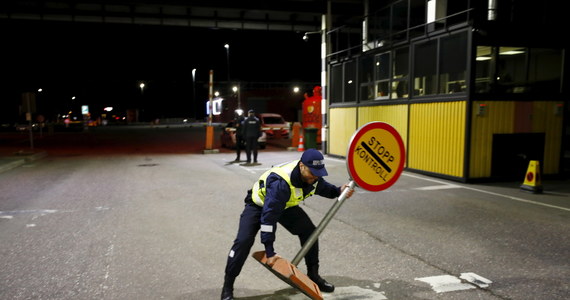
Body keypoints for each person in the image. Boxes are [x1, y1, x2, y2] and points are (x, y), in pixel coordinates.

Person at [221, 149, 355, 300]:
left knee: (309, 232)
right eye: (312, 172)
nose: (315, 177)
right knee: (243, 241)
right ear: (302, 166)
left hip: (285, 206)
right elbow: (268, 218)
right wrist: (269, 251)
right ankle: (227, 287)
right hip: (259, 205)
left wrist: (339, 191)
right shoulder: (281, 183)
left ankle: (313, 275)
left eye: (318, 173)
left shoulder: (313, 177)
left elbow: (324, 188)